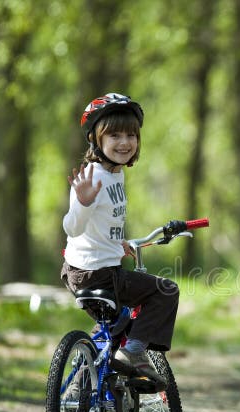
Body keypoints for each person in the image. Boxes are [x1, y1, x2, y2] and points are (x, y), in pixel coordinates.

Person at [61, 92, 180, 391]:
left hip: (88, 269)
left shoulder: (115, 174)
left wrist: (119, 244)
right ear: (95, 140)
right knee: (165, 292)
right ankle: (134, 352)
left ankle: (80, 388)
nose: (124, 142)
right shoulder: (91, 177)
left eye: (131, 135)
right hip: (97, 273)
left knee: (114, 328)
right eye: (114, 135)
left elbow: (103, 224)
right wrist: (82, 203)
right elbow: (73, 227)